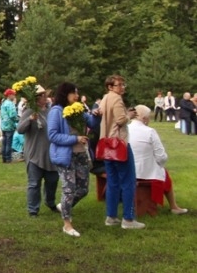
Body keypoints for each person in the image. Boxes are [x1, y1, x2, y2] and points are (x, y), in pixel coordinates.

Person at [47, 82, 99, 237]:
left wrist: (97, 115)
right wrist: (74, 139)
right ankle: (67, 224)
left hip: (81, 154)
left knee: (83, 189)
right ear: (65, 94)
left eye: (77, 93)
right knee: (69, 188)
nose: (77, 96)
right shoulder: (56, 111)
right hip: (65, 156)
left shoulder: (78, 109)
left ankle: (63, 206)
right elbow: (52, 135)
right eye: (74, 93)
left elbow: (92, 124)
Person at [98, 75, 145, 230]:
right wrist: (129, 115)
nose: (122, 87)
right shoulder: (117, 99)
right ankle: (128, 219)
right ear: (110, 87)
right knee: (128, 181)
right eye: (119, 85)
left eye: (123, 84)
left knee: (112, 181)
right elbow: (120, 120)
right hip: (118, 144)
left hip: (106, 144)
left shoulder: (105, 98)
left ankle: (111, 216)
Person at [129, 105, 188, 215]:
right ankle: (174, 206)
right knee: (165, 174)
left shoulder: (125, 130)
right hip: (144, 172)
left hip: (127, 170)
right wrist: (160, 164)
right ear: (145, 119)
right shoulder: (150, 131)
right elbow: (161, 157)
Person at [17, 85, 58, 217]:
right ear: (36, 98)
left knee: (52, 180)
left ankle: (50, 202)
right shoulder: (28, 111)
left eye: (45, 95)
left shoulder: (50, 111)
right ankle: (33, 210)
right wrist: (29, 120)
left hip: (50, 153)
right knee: (34, 183)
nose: (45, 98)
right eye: (42, 96)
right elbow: (20, 130)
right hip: (35, 153)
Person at [0, 89, 19, 164]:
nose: (14, 96)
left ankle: (4, 158)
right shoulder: (10, 104)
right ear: (9, 95)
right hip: (10, 125)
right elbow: (12, 115)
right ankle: (8, 158)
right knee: (9, 142)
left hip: (4, 125)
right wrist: (18, 120)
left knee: (4, 142)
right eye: (13, 94)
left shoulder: (4, 103)